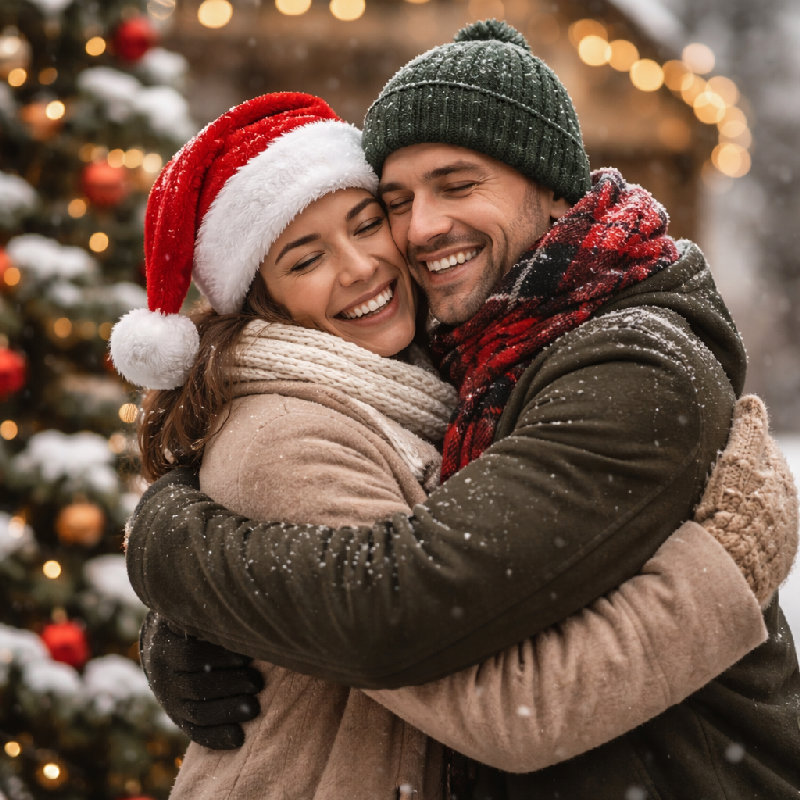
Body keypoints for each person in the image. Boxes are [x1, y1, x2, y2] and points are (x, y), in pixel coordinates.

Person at [121, 20, 800, 800]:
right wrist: (186, 584)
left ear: (548, 186)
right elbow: (379, 577)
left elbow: (408, 610)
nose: (417, 231)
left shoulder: (630, 363)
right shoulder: (467, 353)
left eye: (457, 184)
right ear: (262, 300)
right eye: (398, 200)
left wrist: (179, 554)